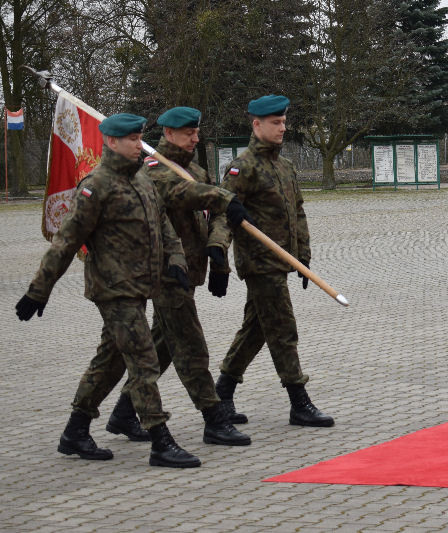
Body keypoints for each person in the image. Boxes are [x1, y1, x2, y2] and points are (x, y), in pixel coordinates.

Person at [15, 113, 201, 468]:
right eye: (131, 139)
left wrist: (176, 260)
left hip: (140, 286)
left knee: (111, 361)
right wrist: (39, 290)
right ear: (111, 142)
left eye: (139, 138)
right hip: (113, 290)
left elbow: (163, 225)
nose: (138, 145)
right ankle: (161, 441)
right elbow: (66, 241)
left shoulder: (143, 180)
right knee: (144, 359)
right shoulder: (95, 186)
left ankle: (75, 431)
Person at [104, 106, 251, 446]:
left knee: (162, 347)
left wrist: (217, 249)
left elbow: (217, 212)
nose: (195, 138)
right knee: (191, 347)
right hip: (167, 272)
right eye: (188, 133)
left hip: (192, 270)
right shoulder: (152, 169)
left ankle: (125, 413)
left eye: (197, 132)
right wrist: (223, 196)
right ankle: (214, 419)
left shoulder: (196, 168)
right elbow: (179, 193)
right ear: (169, 134)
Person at [216, 94, 334, 427]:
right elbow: (225, 213)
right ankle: (299, 402)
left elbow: (297, 212)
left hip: (283, 260)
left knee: (256, 329)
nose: (283, 128)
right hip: (260, 262)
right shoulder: (243, 167)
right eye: (276, 123)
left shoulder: (284, 166)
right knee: (282, 328)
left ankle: (221, 395)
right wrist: (219, 257)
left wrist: (304, 256)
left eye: (284, 122)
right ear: (257, 124)